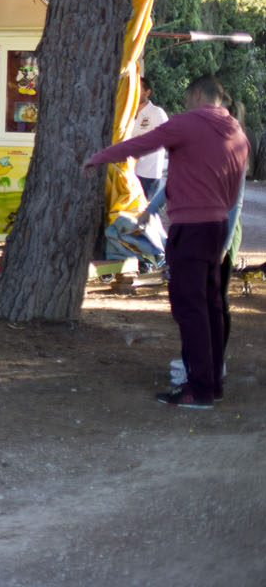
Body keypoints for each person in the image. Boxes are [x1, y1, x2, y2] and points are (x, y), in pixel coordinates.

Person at [84, 74, 247, 409]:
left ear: (198, 94)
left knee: (190, 309)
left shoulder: (188, 123)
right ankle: (212, 383)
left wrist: (99, 157)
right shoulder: (237, 132)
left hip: (190, 229)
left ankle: (198, 389)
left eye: (187, 99)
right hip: (217, 227)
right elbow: (232, 192)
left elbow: (140, 144)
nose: (184, 106)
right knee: (212, 306)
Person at [130, 76, 169, 201]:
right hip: (131, 172)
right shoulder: (129, 113)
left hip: (148, 175)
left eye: (138, 88)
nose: (134, 91)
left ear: (148, 92)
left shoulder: (157, 113)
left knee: (142, 212)